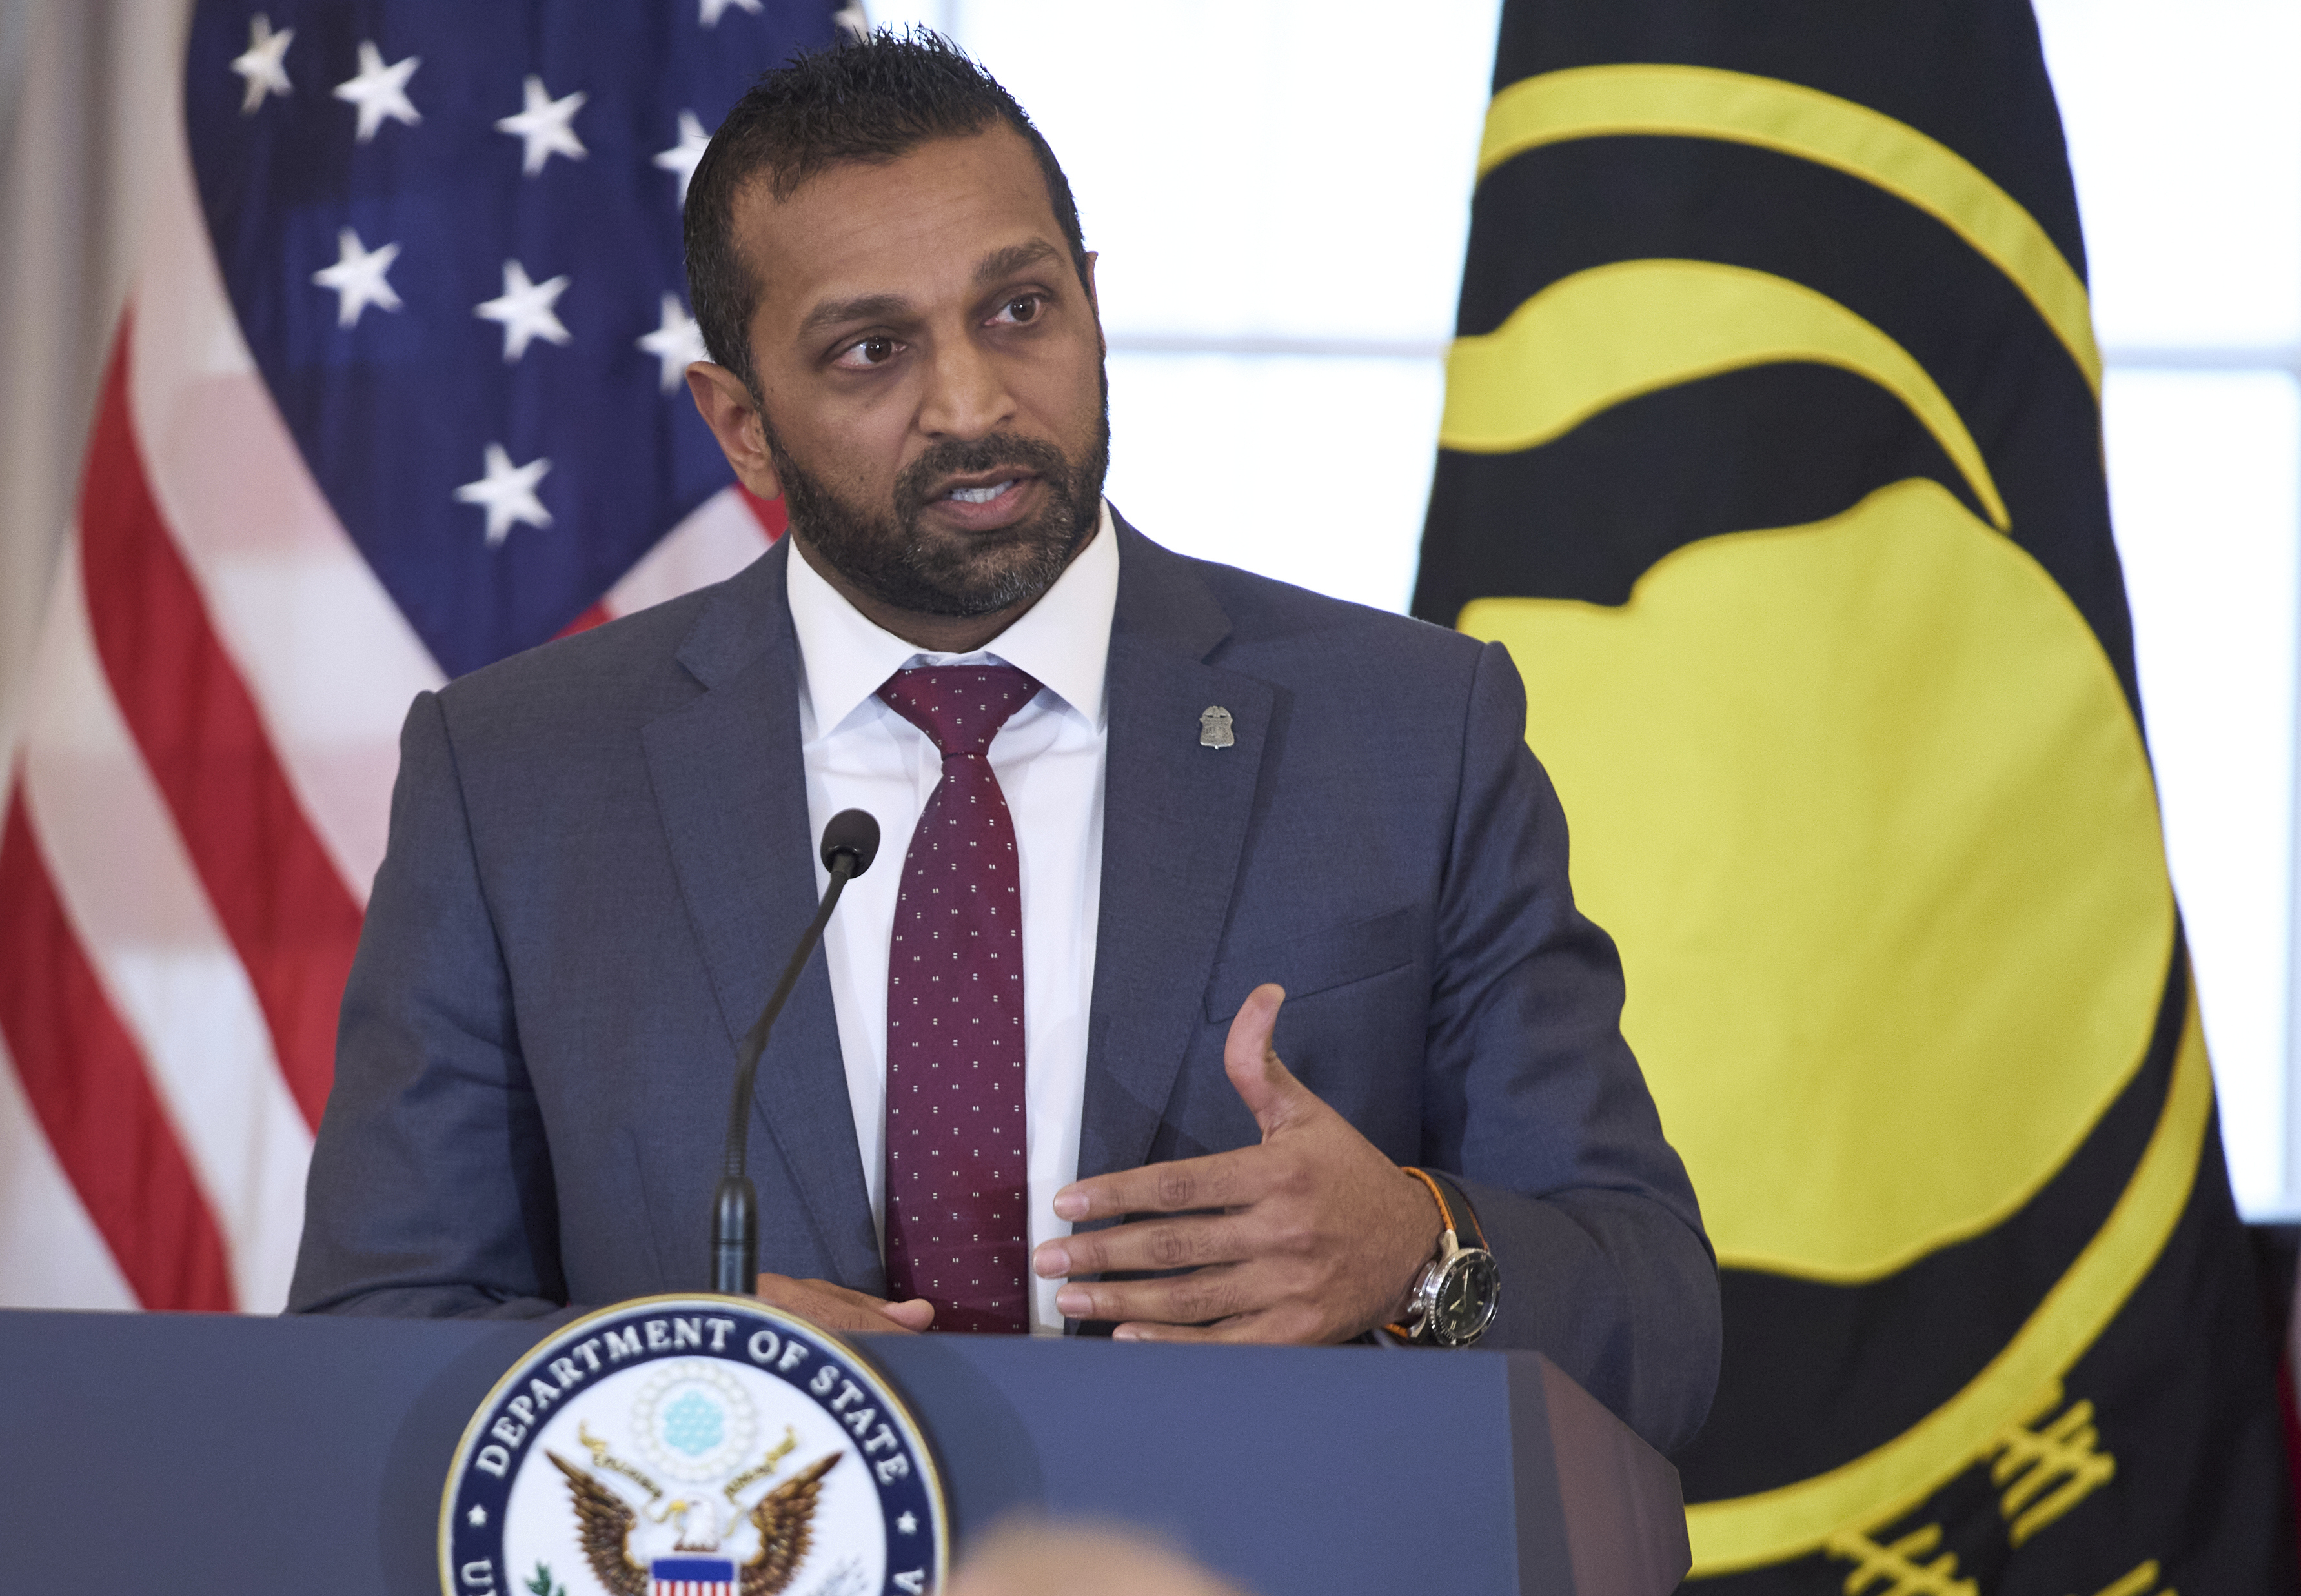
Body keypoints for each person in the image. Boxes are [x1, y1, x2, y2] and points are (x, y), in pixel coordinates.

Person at [289, 30, 1720, 1455]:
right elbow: (370, 1343)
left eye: (1018, 310)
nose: (973, 404)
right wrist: (671, 1374)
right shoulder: (520, 778)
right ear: (741, 425)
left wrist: (1418, 1249)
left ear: (1091, 305)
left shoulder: (1411, 732)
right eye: (871, 350)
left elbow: (1656, 1323)